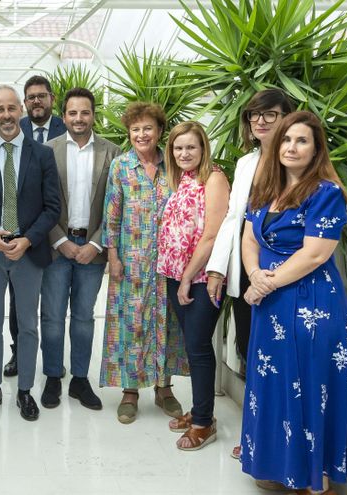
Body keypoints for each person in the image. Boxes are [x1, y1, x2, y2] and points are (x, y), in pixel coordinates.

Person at [239, 111, 347, 494]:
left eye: (301, 140)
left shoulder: (326, 193)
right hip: (271, 304)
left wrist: (262, 285)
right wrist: (254, 274)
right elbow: (249, 238)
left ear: (316, 148)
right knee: (274, 382)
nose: (291, 146)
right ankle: (279, 464)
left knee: (308, 382)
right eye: (286, 139)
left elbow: (314, 256)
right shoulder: (264, 187)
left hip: (311, 304)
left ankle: (314, 476)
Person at [203, 88, 295, 466]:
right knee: (251, 355)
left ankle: (282, 441)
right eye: (253, 116)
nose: (259, 121)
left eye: (269, 114)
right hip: (246, 275)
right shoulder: (244, 163)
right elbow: (231, 219)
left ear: (287, 116)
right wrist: (217, 269)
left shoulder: (297, 158)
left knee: (283, 361)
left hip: (285, 276)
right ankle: (257, 437)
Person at [0, 85, 61, 422]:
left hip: (28, 253)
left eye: (11, 108)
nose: (6, 115)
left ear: (20, 110)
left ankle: (25, 391)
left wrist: (28, 240)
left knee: (28, 326)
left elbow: (52, 207)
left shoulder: (43, 155)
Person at [100, 102, 188, 424]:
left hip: (168, 264)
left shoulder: (173, 166)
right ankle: (130, 390)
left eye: (147, 128)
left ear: (160, 131)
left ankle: (164, 388)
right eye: (135, 129)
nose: (141, 134)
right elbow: (111, 215)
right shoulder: (121, 166)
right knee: (130, 323)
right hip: (132, 263)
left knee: (166, 323)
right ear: (129, 133)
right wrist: (113, 256)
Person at [39, 88, 121, 411]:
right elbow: (40, 202)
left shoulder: (112, 153)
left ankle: (80, 380)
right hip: (58, 247)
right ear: (64, 116)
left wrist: (96, 243)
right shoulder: (47, 150)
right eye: (72, 113)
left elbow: (117, 206)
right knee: (53, 317)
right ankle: (52, 376)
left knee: (84, 317)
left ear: (93, 115)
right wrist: (59, 240)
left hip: (93, 249)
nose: (78, 119)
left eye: (84, 113)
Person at [157, 122, 230, 450]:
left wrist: (187, 277)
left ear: (203, 148)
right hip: (176, 276)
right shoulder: (182, 179)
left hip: (201, 279)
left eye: (191, 147)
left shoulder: (213, 178)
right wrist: (177, 276)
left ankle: (204, 423)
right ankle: (200, 411)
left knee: (199, 346)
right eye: (177, 148)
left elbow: (212, 234)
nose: (184, 153)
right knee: (193, 346)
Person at [3, 75, 66, 377]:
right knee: (19, 304)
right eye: (31, 97)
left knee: (53, 308)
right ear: (24, 103)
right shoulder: (14, 130)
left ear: (52, 99)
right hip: (20, 237)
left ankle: (53, 361)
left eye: (42, 95)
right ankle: (18, 354)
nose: (37, 101)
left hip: (55, 235)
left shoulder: (67, 129)